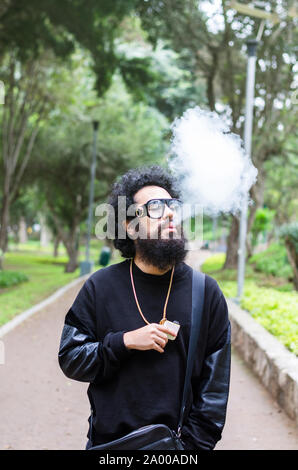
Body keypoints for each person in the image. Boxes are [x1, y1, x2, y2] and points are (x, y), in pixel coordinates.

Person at [58, 165, 231, 450]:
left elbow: (215, 390)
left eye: (172, 205)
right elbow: (71, 358)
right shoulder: (100, 286)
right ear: (130, 225)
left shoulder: (206, 292)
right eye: (156, 207)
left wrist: (192, 447)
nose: (171, 213)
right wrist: (124, 342)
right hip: (109, 446)